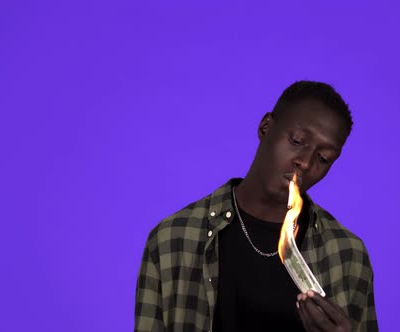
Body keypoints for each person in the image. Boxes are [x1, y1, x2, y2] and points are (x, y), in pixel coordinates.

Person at [135, 81, 378, 332]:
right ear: (266, 127)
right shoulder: (171, 239)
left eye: (323, 158)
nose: (305, 162)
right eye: (296, 140)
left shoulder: (349, 254)